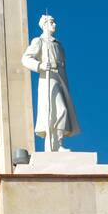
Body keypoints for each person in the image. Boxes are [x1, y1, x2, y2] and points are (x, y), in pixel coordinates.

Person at [21, 13, 81, 152]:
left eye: (54, 22)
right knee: (58, 109)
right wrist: (40, 65)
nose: (55, 25)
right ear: (45, 25)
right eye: (52, 22)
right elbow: (26, 59)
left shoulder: (58, 45)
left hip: (60, 77)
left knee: (62, 108)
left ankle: (58, 143)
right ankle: (55, 144)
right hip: (48, 77)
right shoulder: (39, 41)